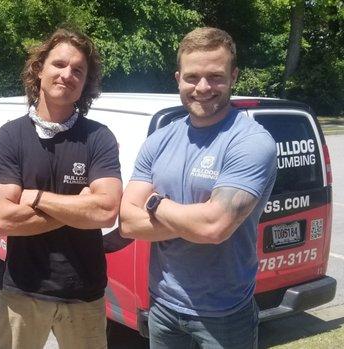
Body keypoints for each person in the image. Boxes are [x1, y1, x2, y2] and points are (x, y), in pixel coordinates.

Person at [119, 27, 277, 349]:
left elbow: (213, 227)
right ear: (178, 78)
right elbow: (126, 223)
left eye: (215, 76)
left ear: (233, 76)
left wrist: (154, 203)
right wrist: (195, 220)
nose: (202, 87)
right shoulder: (160, 140)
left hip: (225, 315)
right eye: (192, 77)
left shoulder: (251, 142)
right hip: (163, 306)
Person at [0, 28, 122, 349]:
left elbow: (105, 211)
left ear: (86, 81)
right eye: (59, 64)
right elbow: (4, 219)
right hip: (21, 290)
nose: (67, 74)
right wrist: (79, 206)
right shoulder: (10, 136)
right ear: (39, 69)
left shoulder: (99, 138)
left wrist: (37, 198)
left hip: (84, 292)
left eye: (78, 70)